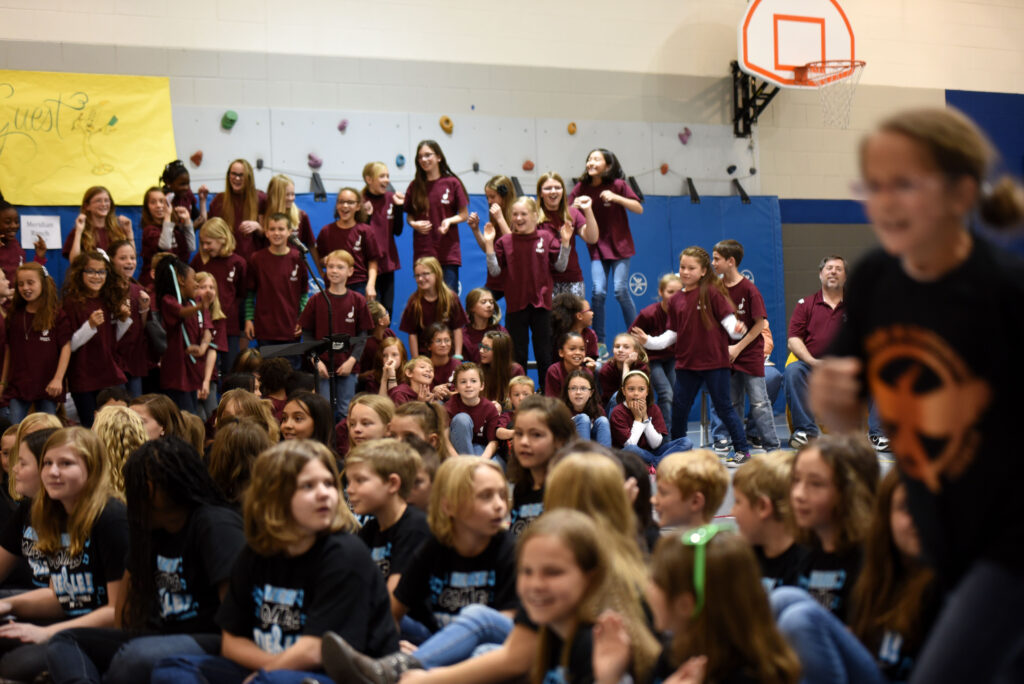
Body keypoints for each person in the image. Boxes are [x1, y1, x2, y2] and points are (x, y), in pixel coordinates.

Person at [809, 106, 1024, 684]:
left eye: (904, 184)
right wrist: (833, 401)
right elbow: (844, 413)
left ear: (960, 194)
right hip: (937, 536)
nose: (885, 201)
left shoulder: (1002, 292)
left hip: (1008, 545)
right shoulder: (878, 277)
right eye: (873, 187)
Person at [150, 440, 398, 683]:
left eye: (329, 483)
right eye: (308, 486)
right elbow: (231, 642)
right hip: (273, 670)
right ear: (274, 496)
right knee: (172, 668)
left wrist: (264, 677)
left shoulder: (345, 554)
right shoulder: (256, 552)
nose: (325, 494)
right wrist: (268, 671)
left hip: (332, 676)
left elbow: (314, 650)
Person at [44, 436, 246, 684]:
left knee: (136, 657)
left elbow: (238, 612)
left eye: (138, 487)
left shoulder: (214, 524)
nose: (134, 496)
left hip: (211, 639)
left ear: (152, 489)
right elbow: (124, 616)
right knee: (65, 640)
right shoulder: (149, 530)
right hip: (159, 634)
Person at [0, 428, 128, 682]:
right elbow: (64, 597)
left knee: (15, 665)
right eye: (47, 463)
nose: (53, 472)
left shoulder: (111, 518)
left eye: (66, 463)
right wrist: (10, 605)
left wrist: (48, 633)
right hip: (73, 621)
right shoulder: (54, 513)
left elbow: (119, 613)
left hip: (111, 631)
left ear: (92, 469)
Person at [595, 527, 800, 684]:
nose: (647, 588)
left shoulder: (750, 677)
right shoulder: (676, 652)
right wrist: (609, 677)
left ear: (685, 605)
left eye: (656, 581)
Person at [631, 246, 751, 464]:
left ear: (704, 271)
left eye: (691, 268)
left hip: (715, 364)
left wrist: (738, 330)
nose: (685, 272)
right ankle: (678, 450)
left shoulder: (713, 293)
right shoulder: (676, 300)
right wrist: (648, 341)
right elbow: (671, 335)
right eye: (682, 267)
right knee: (679, 409)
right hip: (686, 365)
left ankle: (742, 449)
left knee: (724, 407)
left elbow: (730, 325)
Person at [483, 197, 572, 386]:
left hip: (543, 306)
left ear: (534, 216)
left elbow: (561, 267)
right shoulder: (505, 241)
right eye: (515, 214)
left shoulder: (546, 237)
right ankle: (518, 395)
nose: (518, 218)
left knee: (545, 354)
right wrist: (489, 244)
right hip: (516, 306)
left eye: (523, 214)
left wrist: (565, 243)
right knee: (517, 355)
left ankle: (547, 394)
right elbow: (495, 271)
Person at [791, 435, 877, 623]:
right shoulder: (805, 551)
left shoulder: (870, 562)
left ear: (851, 492)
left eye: (816, 484)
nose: (798, 494)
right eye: (796, 480)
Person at [345, 439, 430, 626]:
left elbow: (392, 607)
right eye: (349, 481)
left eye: (360, 480)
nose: (350, 490)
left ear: (392, 484)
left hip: (416, 626)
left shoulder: (415, 527)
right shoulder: (369, 531)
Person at [709, 239, 781, 451]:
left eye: (717, 259)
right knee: (732, 405)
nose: (713, 263)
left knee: (760, 404)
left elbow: (760, 325)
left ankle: (773, 448)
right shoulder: (716, 289)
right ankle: (739, 448)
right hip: (726, 357)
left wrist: (737, 348)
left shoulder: (750, 290)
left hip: (749, 355)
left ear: (730, 261)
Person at [568, 149, 643, 351]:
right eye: (589, 159)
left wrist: (616, 197)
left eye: (596, 159)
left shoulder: (618, 185)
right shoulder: (581, 187)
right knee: (598, 292)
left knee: (620, 290)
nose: (591, 162)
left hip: (620, 247)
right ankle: (599, 341)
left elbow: (638, 207)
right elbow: (567, 210)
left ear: (608, 166)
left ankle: (636, 334)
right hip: (597, 249)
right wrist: (574, 206)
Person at [300, 249, 372, 420]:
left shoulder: (358, 300)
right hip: (322, 367)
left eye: (340, 267)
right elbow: (308, 335)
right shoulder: (317, 300)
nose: (334, 271)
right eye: (330, 266)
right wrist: (316, 361)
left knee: (345, 411)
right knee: (323, 411)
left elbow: (362, 336)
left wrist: (352, 361)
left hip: (347, 367)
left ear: (350, 271)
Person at [61, 251, 131, 428]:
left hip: (110, 373)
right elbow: (70, 344)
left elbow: (113, 340)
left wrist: (123, 320)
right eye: (91, 271)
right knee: (92, 427)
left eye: (101, 272)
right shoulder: (71, 302)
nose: (96, 276)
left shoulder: (108, 298)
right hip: (83, 377)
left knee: (118, 425)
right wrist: (90, 326)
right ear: (80, 273)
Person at [2, 263, 70, 422]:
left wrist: (58, 379)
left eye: (30, 282)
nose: (25, 288)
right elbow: (9, 350)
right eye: (20, 284)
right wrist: (3, 382)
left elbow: (66, 347)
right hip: (18, 386)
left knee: (48, 434)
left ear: (43, 284)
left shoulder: (56, 315)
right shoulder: (15, 315)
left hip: (47, 387)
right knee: (14, 430)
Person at [732, 451, 808, 589]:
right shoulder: (743, 558)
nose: (732, 512)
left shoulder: (807, 567)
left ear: (763, 507)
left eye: (738, 502)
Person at [404, 141, 469, 291]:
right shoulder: (415, 186)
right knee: (427, 298)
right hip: (424, 251)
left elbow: (464, 214)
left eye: (428, 155)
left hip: (447, 251)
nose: (424, 160)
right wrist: (414, 224)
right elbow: (410, 216)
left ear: (438, 157)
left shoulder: (452, 183)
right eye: (420, 157)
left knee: (448, 300)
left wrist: (449, 221)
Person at [507, 395, 575, 536]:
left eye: (536, 435)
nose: (524, 442)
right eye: (519, 433)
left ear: (560, 440)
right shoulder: (521, 488)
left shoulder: (572, 489)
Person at [154, 257, 214, 413]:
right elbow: (180, 312)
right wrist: (201, 306)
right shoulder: (168, 301)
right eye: (193, 279)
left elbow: (207, 329)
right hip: (176, 376)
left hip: (192, 373)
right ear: (180, 279)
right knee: (182, 418)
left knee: (193, 416)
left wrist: (202, 347)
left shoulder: (194, 303)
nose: (196, 284)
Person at [244, 213, 308, 360]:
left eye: (281, 229)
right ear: (266, 232)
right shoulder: (257, 259)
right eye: (272, 229)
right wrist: (248, 319)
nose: (276, 233)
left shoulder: (298, 258)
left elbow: (304, 294)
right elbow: (250, 294)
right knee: (268, 373)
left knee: (291, 375)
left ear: (290, 232)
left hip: (291, 329)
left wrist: (302, 319)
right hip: (265, 329)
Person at [192, 218, 248, 376]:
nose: (204, 247)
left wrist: (242, 329)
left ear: (222, 239)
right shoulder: (199, 260)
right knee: (205, 371)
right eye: (202, 243)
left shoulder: (238, 263)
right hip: (203, 327)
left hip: (229, 326)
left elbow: (241, 295)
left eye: (208, 243)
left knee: (230, 370)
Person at [608, 370, 693, 466]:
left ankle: (654, 463)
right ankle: (660, 463)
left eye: (641, 389)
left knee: (686, 442)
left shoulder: (654, 408)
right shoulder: (618, 412)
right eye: (631, 389)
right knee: (631, 449)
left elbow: (655, 444)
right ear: (624, 391)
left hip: (651, 452)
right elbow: (630, 444)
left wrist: (645, 418)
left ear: (647, 391)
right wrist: (638, 419)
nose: (636, 393)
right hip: (630, 454)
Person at [629, 273, 682, 426]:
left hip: (672, 358)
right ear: (661, 292)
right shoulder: (648, 314)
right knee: (666, 393)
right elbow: (631, 335)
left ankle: (678, 433)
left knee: (678, 394)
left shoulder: (682, 313)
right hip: (652, 359)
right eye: (670, 292)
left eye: (678, 293)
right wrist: (638, 353)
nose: (674, 297)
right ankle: (665, 433)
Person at [536, 171, 598, 299]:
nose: (553, 191)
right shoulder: (533, 216)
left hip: (572, 280)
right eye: (548, 188)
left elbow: (592, 238)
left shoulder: (572, 213)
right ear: (541, 193)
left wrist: (588, 209)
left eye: (558, 188)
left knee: (574, 319)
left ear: (563, 191)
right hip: (544, 282)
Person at [316, 188, 382, 297]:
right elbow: (320, 260)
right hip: (333, 285)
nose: (345, 206)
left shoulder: (365, 231)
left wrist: (370, 285)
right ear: (337, 205)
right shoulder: (326, 231)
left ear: (358, 206)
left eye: (350, 202)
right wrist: (323, 270)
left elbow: (373, 261)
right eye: (341, 202)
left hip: (359, 285)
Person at [398, 256, 467, 359]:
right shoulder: (414, 302)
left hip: (448, 356)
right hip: (425, 357)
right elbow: (412, 334)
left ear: (437, 274)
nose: (421, 279)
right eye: (417, 275)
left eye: (425, 274)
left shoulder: (451, 298)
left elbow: (457, 328)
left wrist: (457, 355)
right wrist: (416, 360)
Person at [109, 240, 153, 398]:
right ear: (111, 260)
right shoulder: (105, 290)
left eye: (132, 258)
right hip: (112, 362)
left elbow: (140, 328)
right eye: (123, 258)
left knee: (136, 410)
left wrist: (144, 309)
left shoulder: (138, 290)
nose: (129, 262)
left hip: (134, 360)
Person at [360, 162, 404, 315]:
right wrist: (367, 217)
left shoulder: (392, 198)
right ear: (369, 179)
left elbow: (398, 231)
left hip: (387, 263)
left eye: (387, 176)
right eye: (382, 176)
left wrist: (399, 208)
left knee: (387, 309)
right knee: (371, 311)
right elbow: (358, 235)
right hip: (366, 265)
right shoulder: (360, 200)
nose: (386, 180)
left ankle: (385, 339)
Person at [201, 159, 267, 262]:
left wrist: (257, 226)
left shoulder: (261, 199)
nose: (237, 178)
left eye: (241, 175)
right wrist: (202, 202)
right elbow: (208, 231)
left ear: (249, 177)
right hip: (227, 262)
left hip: (255, 262)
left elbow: (270, 233)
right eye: (234, 174)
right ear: (228, 175)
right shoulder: (219, 201)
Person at [651, 449, 728, 534]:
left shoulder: (720, 547)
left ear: (695, 501)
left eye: (663, 493)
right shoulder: (668, 544)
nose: (653, 500)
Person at [466, 176, 516, 302]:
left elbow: (513, 245)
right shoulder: (495, 216)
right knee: (476, 305)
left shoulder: (518, 215)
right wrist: (475, 229)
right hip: (496, 279)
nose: (489, 201)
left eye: (492, 197)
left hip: (514, 279)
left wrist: (500, 219)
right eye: (487, 197)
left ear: (505, 197)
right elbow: (489, 250)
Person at [139, 187, 195, 287]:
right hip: (155, 283)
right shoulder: (149, 231)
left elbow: (191, 247)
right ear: (147, 207)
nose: (159, 206)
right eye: (153, 202)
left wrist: (187, 222)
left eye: (162, 201)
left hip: (176, 280)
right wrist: (168, 216)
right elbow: (164, 246)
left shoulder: (175, 229)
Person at [64, 187, 133, 263]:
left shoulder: (117, 231)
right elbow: (74, 261)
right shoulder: (80, 231)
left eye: (106, 200)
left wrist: (129, 233)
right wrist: (78, 232)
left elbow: (131, 258)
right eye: (98, 201)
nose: (103, 204)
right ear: (87, 206)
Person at [444, 364, 499, 459]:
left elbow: (493, 442)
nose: (468, 385)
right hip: (455, 451)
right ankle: (468, 467)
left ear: (482, 386)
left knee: (498, 467)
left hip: (482, 450)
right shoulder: (449, 406)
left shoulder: (490, 408)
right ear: (456, 387)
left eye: (473, 381)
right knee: (462, 419)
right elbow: (444, 440)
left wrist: (483, 460)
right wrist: (459, 460)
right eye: (463, 382)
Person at [0, 201, 46, 287]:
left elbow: (26, 276)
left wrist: (39, 258)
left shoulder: (16, 246)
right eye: (7, 222)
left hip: (17, 299)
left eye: (16, 222)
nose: (14, 226)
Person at [561, 369, 611, 447]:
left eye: (583, 388)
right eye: (573, 388)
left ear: (591, 393)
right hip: (570, 452)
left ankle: (604, 458)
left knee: (603, 420)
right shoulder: (560, 410)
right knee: (583, 418)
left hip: (595, 452)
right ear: (567, 392)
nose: (578, 392)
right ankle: (583, 457)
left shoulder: (598, 410)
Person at [461, 288, 506, 365]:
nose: (489, 305)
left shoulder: (501, 331)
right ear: (472, 308)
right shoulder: (463, 335)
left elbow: (506, 359)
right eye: (483, 302)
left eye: (491, 302)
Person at [544, 331, 594, 399]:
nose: (578, 352)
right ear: (561, 352)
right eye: (572, 349)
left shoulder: (588, 373)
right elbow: (552, 402)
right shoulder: (554, 371)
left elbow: (593, 401)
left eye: (582, 349)